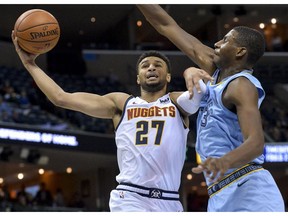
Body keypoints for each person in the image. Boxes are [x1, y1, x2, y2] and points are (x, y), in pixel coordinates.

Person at [12, 32, 212, 212]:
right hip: (130, 197)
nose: (151, 67)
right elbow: (61, 97)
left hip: (169, 200)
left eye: (158, 65)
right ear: (137, 78)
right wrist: (30, 64)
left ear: (168, 76)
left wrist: (190, 72)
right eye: (145, 66)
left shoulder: (176, 102)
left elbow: (198, 94)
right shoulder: (121, 103)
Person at [137, 4, 285, 212]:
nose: (216, 43)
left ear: (240, 51)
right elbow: (165, 24)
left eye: (225, 41)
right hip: (218, 192)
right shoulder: (214, 70)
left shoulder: (242, 86)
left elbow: (256, 144)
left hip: (249, 188)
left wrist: (224, 161)